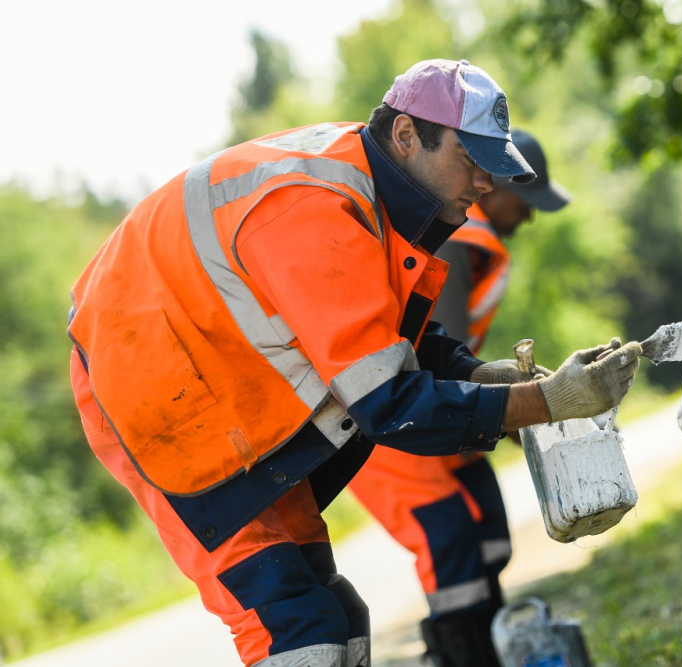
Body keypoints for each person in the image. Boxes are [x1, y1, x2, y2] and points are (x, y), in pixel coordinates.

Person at [66, 58, 641, 667]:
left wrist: (480, 374)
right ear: (406, 135)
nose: (485, 185)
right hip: (153, 396)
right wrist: (549, 403)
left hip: (221, 392)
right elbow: (387, 405)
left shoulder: (368, 187)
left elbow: (393, 333)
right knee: (299, 631)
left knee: (339, 617)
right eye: (471, 160)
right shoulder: (317, 207)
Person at [347, 129, 570, 666]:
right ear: (490, 185)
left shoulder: (465, 236)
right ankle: (460, 655)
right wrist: (518, 414)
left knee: (488, 529)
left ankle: (486, 650)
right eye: (526, 200)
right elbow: (433, 356)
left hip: (440, 410)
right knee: (452, 544)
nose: (529, 216)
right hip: (399, 419)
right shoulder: (463, 240)